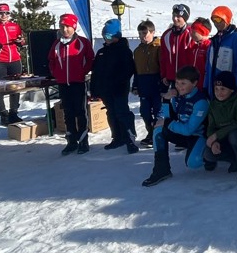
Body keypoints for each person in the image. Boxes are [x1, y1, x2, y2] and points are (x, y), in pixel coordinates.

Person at [142, 66, 209, 187]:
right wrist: (166, 101)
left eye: (183, 83)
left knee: (193, 163)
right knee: (159, 130)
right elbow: (169, 118)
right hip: (182, 133)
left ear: (194, 83)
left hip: (197, 136)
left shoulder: (201, 101)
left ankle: (210, 158)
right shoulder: (178, 97)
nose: (179, 86)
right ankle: (162, 170)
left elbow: (189, 130)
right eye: (177, 82)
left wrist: (167, 123)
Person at [48, 13, 94, 156]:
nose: (65, 29)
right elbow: (51, 61)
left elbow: (90, 59)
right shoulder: (57, 44)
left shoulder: (82, 42)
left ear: (74, 27)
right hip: (63, 83)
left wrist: (82, 72)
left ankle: (83, 141)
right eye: (62, 26)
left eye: (68, 26)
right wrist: (56, 74)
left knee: (81, 112)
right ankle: (71, 141)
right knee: (68, 113)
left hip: (78, 83)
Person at [92, 19, 138, 154]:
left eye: (108, 36)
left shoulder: (124, 51)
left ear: (116, 36)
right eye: (104, 36)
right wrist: (94, 89)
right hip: (105, 90)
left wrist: (118, 82)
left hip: (119, 89)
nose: (106, 39)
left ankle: (129, 138)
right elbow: (96, 72)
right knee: (111, 113)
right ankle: (117, 137)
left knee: (122, 112)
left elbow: (128, 70)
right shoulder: (101, 52)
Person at [204, 71, 237, 183]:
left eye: (223, 89)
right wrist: (213, 141)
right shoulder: (214, 104)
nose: (219, 92)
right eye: (216, 89)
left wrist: (217, 135)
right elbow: (211, 126)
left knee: (234, 136)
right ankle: (235, 160)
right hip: (223, 139)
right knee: (208, 154)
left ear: (231, 89)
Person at [204, 6, 237, 99]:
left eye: (218, 19)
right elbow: (208, 68)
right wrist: (206, 87)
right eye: (213, 20)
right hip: (215, 90)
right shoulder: (214, 40)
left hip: (230, 91)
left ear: (226, 19)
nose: (216, 23)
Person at [134, 19, 162, 147]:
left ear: (152, 32)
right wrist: (135, 85)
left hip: (156, 83)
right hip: (143, 84)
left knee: (158, 111)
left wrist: (164, 83)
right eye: (140, 34)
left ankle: (158, 134)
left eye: (145, 33)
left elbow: (163, 67)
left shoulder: (159, 47)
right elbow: (136, 70)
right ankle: (150, 132)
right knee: (145, 112)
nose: (142, 36)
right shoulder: (138, 51)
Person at [159, 4, 197, 98]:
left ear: (185, 18)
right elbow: (163, 57)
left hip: (188, 78)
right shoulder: (166, 35)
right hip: (172, 79)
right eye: (174, 15)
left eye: (178, 16)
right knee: (174, 103)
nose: (175, 18)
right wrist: (164, 74)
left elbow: (195, 57)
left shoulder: (191, 34)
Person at [189, 17, 212, 86]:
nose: (191, 34)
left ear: (203, 32)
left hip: (203, 82)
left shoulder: (208, 46)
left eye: (194, 32)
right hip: (194, 82)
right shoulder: (195, 46)